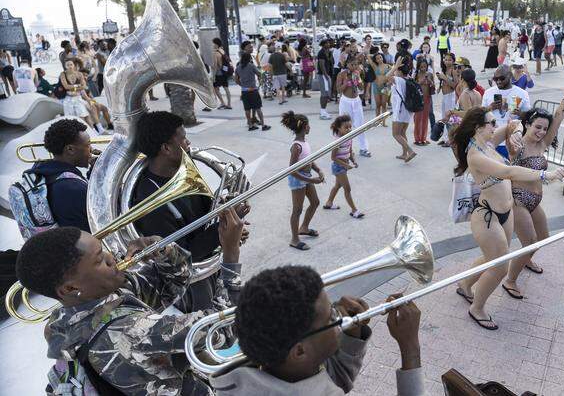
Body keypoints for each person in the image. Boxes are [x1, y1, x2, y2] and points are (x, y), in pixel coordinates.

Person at [17, 222, 241, 396]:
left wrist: (164, 252)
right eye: (98, 261)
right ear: (71, 287)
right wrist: (230, 258)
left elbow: (168, 284)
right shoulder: (129, 332)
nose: (111, 257)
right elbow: (227, 327)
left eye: (103, 249)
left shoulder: (66, 318)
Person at [213, 265, 425, 395]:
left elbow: (331, 382)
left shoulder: (251, 373)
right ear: (299, 351)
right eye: (330, 318)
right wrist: (410, 349)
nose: (339, 316)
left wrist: (352, 335)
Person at [452, 107, 564, 330]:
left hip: (505, 213)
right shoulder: (475, 155)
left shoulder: (486, 143)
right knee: (500, 267)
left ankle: (465, 284)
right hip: (488, 216)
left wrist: (515, 132)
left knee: (491, 258)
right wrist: (547, 174)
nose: (495, 126)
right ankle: (477, 308)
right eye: (491, 123)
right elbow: (509, 172)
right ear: (478, 128)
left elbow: (514, 122)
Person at [132, 111, 245, 310]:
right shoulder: (150, 203)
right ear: (166, 148)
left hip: (212, 263)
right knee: (214, 317)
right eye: (183, 139)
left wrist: (228, 215)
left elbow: (203, 214)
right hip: (192, 283)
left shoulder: (182, 171)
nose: (188, 143)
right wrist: (224, 234)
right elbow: (183, 256)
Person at [502, 76, 564, 299]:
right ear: (528, 124)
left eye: (544, 128)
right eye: (537, 127)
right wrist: (515, 130)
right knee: (530, 242)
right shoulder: (517, 145)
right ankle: (510, 280)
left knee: (543, 237)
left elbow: (558, 117)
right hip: (518, 200)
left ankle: (525, 260)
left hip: (536, 200)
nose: (541, 131)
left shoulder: (542, 143)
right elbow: (511, 126)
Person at [282, 111, 324, 251]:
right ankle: (294, 239)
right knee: (297, 209)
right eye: (309, 125)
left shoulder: (304, 142)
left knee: (315, 202)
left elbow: (309, 160)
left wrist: (318, 170)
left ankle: (304, 227)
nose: (310, 127)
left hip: (306, 177)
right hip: (298, 180)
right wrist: (311, 179)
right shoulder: (296, 146)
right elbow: (292, 170)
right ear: (304, 127)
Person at [482, 65, 531, 159]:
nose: (498, 81)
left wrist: (520, 113)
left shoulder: (522, 93)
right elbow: (480, 114)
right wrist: (490, 107)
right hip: (491, 140)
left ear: (510, 76)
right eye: (495, 79)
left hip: (512, 141)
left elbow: (529, 117)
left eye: (502, 78)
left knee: (509, 170)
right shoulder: (488, 92)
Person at [322, 115, 364, 218]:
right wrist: (346, 165)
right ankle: (354, 210)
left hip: (344, 166)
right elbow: (333, 157)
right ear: (338, 128)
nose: (349, 129)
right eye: (346, 127)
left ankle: (329, 203)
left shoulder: (349, 137)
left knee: (337, 186)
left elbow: (349, 150)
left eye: (350, 127)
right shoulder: (338, 141)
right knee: (347, 189)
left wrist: (353, 160)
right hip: (338, 167)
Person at [337, 56, 372, 157]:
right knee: (344, 125)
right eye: (352, 64)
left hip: (356, 101)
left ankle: (363, 148)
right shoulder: (342, 74)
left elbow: (361, 88)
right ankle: (344, 148)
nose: (355, 66)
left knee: (360, 125)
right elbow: (338, 90)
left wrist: (358, 80)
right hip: (346, 102)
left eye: (356, 64)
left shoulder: (357, 73)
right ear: (347, 64)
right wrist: (347, 83)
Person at [235, 41, 271, 131]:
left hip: (244, 90)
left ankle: (251, 123)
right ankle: (262, 125)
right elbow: (259, 73)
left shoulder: (238, 67)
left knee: (247, 108)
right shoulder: (250, 64)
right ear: (244, 49)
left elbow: (236, 79)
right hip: (253, 89)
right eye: (249, 47)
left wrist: (242, 85)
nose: (251, 48)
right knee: (257, 107)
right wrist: (262, 74)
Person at [59, 59, 101, 133]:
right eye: (68, 65)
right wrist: (77, 86)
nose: (70, 67)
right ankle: (92, 130)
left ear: (74, 65)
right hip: (74, 99)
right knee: (78, 116)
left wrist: (73, 87)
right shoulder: (64, 74)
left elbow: (84, 88)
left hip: (82, 98)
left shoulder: (79, 75)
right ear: (65, 66)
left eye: (71, 64)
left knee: (90, 111)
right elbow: (66, 87)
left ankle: (96, 129)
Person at [387, 56, 417, 161]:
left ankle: (410, 151)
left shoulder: (399, 80)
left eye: (396, 71)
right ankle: (404, 154)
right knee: (402, 132)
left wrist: (395, 66)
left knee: (396, 134)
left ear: (399, 71)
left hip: (399, 109)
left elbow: (386, 77)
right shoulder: (409, 79)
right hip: (407, 110)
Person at [436, 53, 458, 147]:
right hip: (445, 96)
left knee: (450, 119)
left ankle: (451, 139)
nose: (447, 61)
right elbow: (444, 82)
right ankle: (445, 138)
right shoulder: (445, 70)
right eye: (445, 59)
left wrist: (444, 77)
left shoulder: (453, 70)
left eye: (449, 60)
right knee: (444, 117)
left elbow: (455, 85)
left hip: (451, 96)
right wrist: (440, 85)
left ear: (453, 61)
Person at [413, 58, 434, 145]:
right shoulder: (416, 74)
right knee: (418, 119)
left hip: (427, 98)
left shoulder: (429, 74)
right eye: (421, 67)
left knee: (425, 118)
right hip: (418, 99)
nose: (423, 68)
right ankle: (417, 139)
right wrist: (421, 82)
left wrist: (430, 81)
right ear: (418, 67)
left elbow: (433, 86)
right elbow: (414, 86)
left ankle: (423, 138)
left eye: (425, 66)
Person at [367, 52, 392, 127]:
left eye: (380, 57)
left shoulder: (388, 66)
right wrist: (374, 55)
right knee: (378, 104)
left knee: (384, 104)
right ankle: (377, 121)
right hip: (376, 86)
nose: (379, 59)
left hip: (386, 87)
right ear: (376, 60)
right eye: (377, 58)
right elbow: (368, 56)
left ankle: (384, 122)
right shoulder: (375, 66)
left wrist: (389, 83)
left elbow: (393, 74)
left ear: (383, 57)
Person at [212, 37, 232, 109]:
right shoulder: (222, 51)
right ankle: (229, 104)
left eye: (213, 43)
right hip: (225, 72)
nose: (212, 45)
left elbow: (215, 66)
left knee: (215, 88)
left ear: (216, 44)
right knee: (226, 87)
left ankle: (222, 102)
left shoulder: (215, 53)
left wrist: (213, 76)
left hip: (219, 73)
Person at [316, 39, 334, 119]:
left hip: (328, 75)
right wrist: (325, 75)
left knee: (327, 94)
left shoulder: (329, 52)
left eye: (328, 42)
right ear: (323, 44)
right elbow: (321, 65)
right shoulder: (321, 53)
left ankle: (324, 110)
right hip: (323, 75)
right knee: (324, 94)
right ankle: (322, 112)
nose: (328, 44)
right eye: (326, 43)